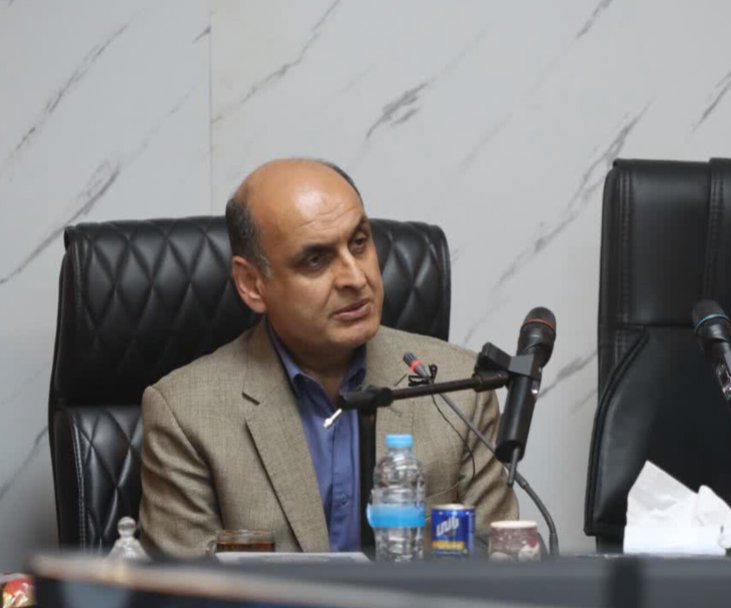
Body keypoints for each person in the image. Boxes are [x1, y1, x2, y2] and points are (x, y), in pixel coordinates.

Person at [139, 158, 518, 556]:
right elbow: (188, 587)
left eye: (359, 243)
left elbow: (501, 568)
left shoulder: (460, 390)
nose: (356, 278)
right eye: (315, 260)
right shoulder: (186, 414)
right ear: (252, 284)